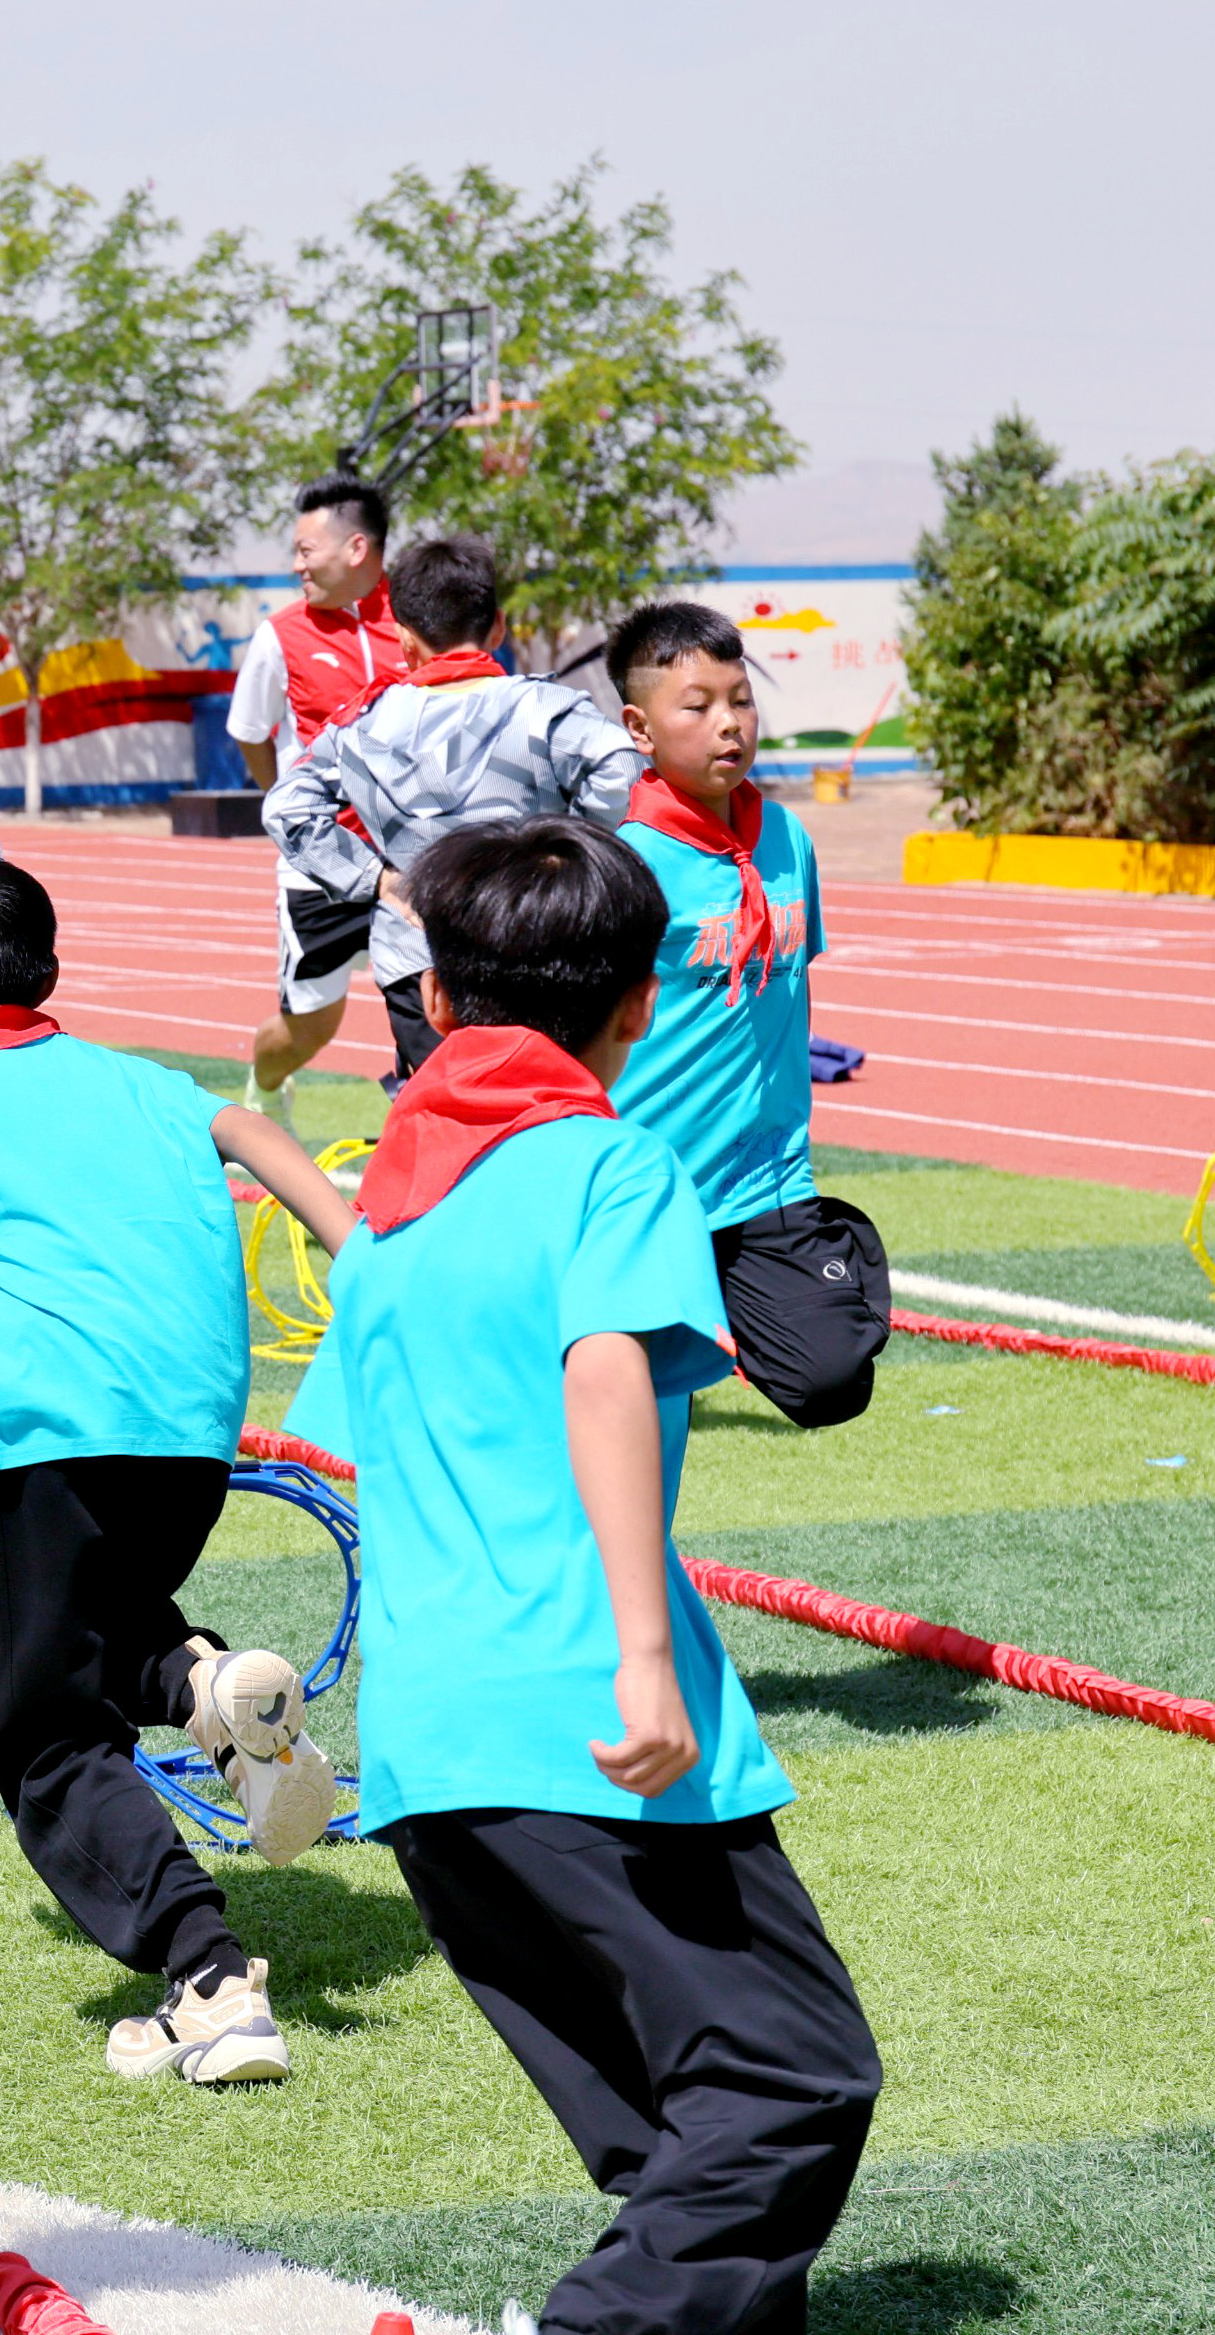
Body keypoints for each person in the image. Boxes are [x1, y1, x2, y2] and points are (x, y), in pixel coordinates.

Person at [283, 816, 881, 2334]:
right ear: (640, 1005)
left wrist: (269, 1150)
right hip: (582, 1718)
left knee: (679, 2139)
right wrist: (644, 1656)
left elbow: (379, 1415)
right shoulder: (610, 1164)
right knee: (791, 2081)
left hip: (429, 1747)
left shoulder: (399, 1212)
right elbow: (604, 1366)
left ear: (434, 1000)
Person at [0, 856, 360, 2086]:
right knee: (100, 1626)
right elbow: (248, 1130)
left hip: (57, 1430)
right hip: (196, 1430)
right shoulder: (137, 1077)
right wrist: (356, 1243)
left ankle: (208, 1977)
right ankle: (203, 1685)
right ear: (49, 968)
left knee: (51, 1736)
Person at [607, 600, 888, 1430]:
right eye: (696, 706)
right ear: (639, 728)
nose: (729, 723)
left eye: (741, 700)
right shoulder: (627, 865)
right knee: (630, 1402)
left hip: (766, 1177)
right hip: (649, 1182)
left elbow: (789, 986)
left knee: (831, 1381)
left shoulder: (787, 838)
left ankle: (760, 1284)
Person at [263, 531, 639, 1083]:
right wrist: (570, 847)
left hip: (418, 955)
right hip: (534, 941)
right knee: (537, 1096)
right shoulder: (545, 707)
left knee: (442, 1103)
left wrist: (376, 880)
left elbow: (287, 808)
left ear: (403, 638)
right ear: (498, 626)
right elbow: (622, 763)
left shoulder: (361, 725)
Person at [228, 479, 416, 1122]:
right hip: (320, 870)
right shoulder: (279, 636)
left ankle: (430, 1137)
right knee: (308, 1027)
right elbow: (250, 732)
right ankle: (265, 1087)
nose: (296, 565)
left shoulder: (417, 623)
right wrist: (292, 812)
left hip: (415, 863)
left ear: (356, 548)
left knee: (435, 1009)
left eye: (306, 551)